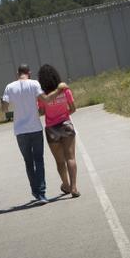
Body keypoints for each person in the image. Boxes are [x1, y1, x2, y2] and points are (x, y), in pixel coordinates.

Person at [1, 64, 67, 204]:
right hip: (35, 128)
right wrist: (59, 90)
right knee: (39, 160)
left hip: (20, 130)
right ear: (29, 73)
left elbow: (4, 109)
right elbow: (47, 100)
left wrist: (5, 102)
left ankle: (35, 191)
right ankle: (42, 194)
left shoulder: (9, 87)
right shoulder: (34, 83)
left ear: (17, 73)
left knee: (28, 162)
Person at [37, 64, 80, 198]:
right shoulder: (65, 90)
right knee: (71, 157)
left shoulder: (42, 96)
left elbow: (41, 112)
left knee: (60, 161)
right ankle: (74, 188)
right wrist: (64, 114)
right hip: (66, 124)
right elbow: (73, 108)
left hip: (51, 129)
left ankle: (65, 185)